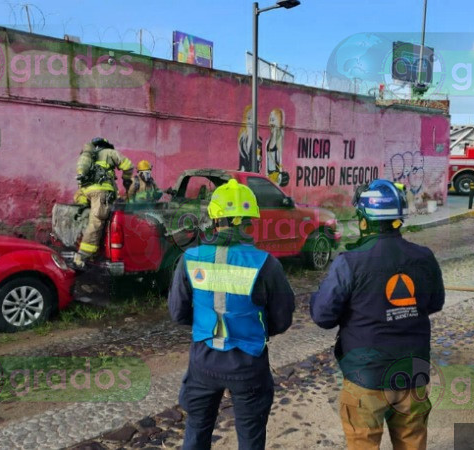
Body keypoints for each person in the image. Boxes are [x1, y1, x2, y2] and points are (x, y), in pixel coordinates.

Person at [309, 179, 445, 450]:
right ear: (398, 219)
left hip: (365, 379)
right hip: (411, 375)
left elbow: (323, 316)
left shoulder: (349, 263)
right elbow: (435, 303)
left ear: (363, 220)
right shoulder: (424, 257)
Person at [168, 179, 296, 449]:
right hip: (248, 365)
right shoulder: (266, 264)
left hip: (203, 362)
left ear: (215, 220)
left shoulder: (189, 259)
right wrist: (253, 329)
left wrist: (208, 324)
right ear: (248, 222)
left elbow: (178, 313)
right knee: (250, 439)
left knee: (196, 433)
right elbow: (282, 319)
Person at [73, 137, 133, 268]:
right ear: (106, 145)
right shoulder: (110, 153)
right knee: (97, 221)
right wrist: (126, 179)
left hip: (85, 191)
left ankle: (84, 246)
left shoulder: (90, 156)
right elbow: (128, 165)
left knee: (88, 217)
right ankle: (82, 256)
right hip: (100, 192)